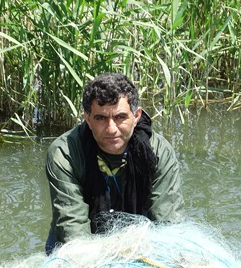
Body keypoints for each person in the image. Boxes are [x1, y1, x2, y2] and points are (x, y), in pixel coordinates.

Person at [45, 72, 183, 253]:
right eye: (101, 118)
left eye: (120, 117)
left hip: (140, 240)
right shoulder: (64, 153)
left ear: (136, 116)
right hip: (79, 245)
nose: (111, 129)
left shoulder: (158, 152)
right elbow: (73, 227)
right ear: (87, 119)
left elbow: (166, 222)